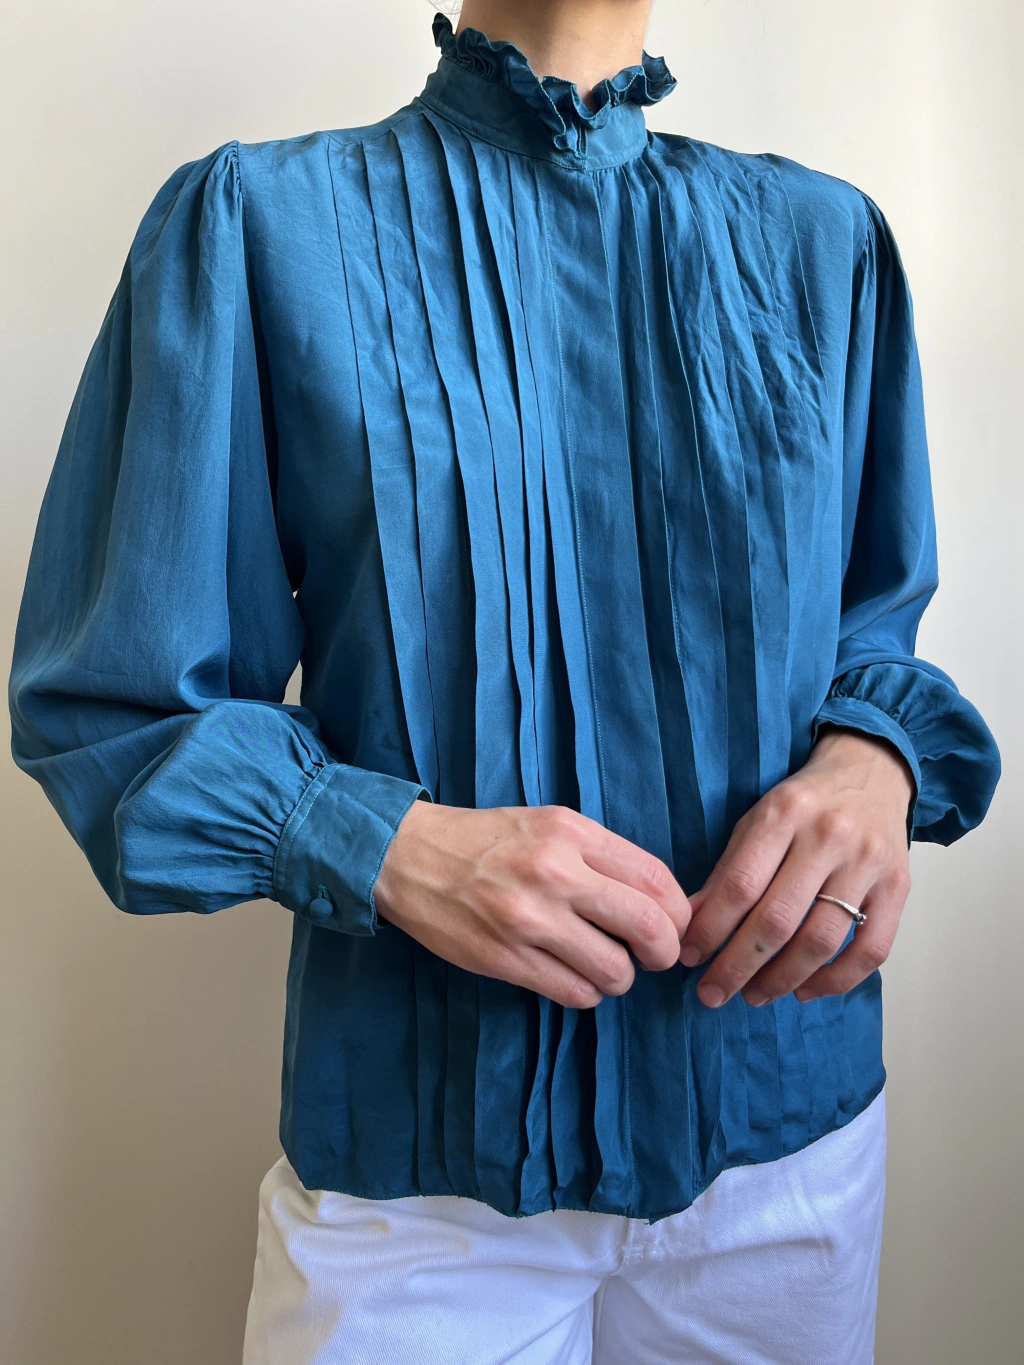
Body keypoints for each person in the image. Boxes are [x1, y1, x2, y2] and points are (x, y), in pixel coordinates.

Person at [8, 0, 1001, 1360]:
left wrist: (871, 760)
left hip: (789, 1150)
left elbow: (872, 630)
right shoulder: (256, 228)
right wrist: (386, 843)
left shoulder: (824, 243)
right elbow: (112, 702)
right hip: (420, 1179)